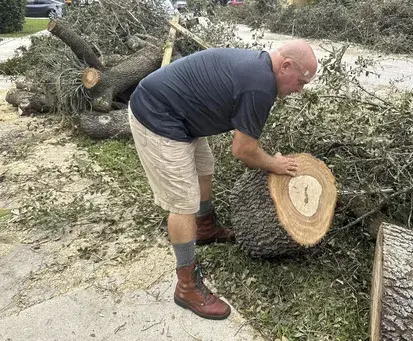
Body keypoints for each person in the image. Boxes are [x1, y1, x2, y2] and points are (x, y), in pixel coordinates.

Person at [128, 40, 318, 320]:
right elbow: (244, 150)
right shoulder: (260, 84)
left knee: (205, 166)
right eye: (301, 82)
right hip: (158, 115)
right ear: (286, 66)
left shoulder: (259, 69)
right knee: (183, 202)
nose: (299, 90)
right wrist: (275, 164)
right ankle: (187, 286)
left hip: (182, 115)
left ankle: (204, 228)